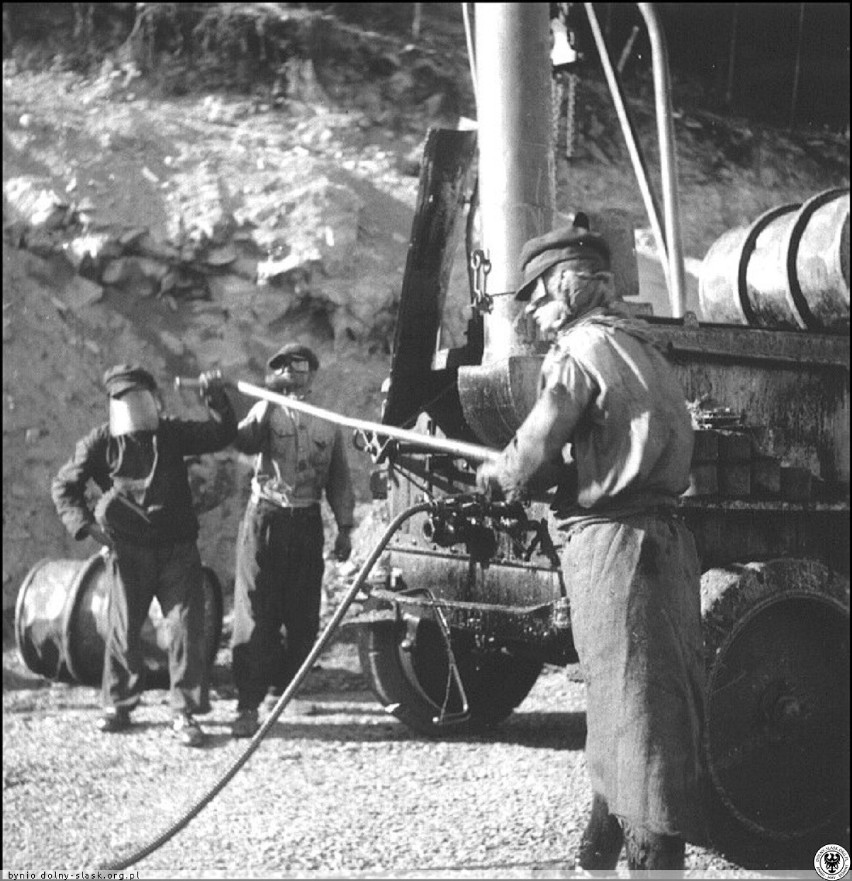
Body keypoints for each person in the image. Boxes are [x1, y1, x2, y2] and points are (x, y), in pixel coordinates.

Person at [476, 224, 706, 871]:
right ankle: (601, 842)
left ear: (568, 284)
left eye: (541, 300)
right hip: (664, 541)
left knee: (632, 704)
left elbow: (541, 439)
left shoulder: (578, 350)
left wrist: (502, 474)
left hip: (615, 548)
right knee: (641, 695)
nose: (538, 317)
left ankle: (655, 854)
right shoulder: (643, 346)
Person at [51, 364, 236, 747]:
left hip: (177, 549)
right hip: (128, 551)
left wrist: (215, 398)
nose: (133, 405)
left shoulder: (170, 434)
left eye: (138, 396)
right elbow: (64, 486)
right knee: (122, 629)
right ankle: (119, 705)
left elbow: (220, 433)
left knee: (185, 626)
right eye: (123, 398)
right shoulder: (100, 442)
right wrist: (88, 527)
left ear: (152, 398)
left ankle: (184, 713)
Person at [230, 343, 355, 738]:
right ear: (277, 373)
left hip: (305, 521)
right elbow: (246, 442)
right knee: (255, 612)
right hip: (266, 518)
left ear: (313, 375)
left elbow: (338, 478)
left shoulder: (325, 420)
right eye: (288, 370)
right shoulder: (264, 408)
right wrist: (269, 397)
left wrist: (346, 528)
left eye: (303, 371)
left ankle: (283, 694)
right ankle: (247, 705)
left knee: (301, 614)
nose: (296, 378)